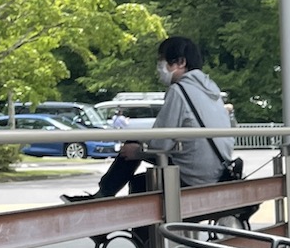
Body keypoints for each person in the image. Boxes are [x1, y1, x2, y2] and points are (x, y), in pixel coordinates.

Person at [64, 37, 232, 202]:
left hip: (194, 176)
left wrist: (136, 152)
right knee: (137, 148)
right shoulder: (211, 91)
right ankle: (103, 195)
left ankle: (102, 196)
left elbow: (160, 143)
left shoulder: (179, 90)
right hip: (217, 172)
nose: (159, 67)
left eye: (162, 60)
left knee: (138, 174)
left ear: (181, 62)